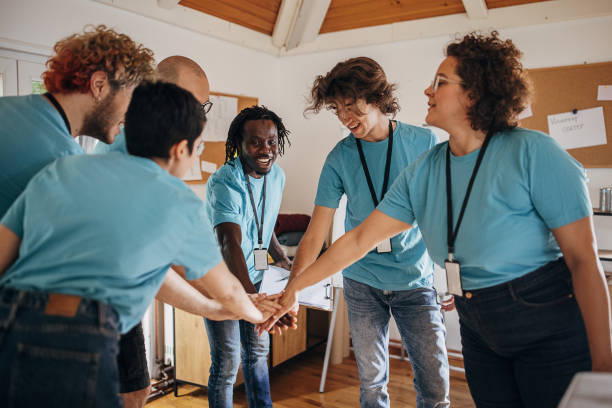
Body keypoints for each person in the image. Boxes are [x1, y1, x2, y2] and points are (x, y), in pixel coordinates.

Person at [274, 32, 612, 407]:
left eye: (439, 82)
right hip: (475, 322)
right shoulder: (424, 171)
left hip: (543, 321)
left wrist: (605, 364)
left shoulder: (535, 153)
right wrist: (293, 290)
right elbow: (356, 241)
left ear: (475, 93)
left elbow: (583, 262)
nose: (426, 91)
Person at [0, 81, 267, 407]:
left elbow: (3, 252)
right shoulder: (176, 201)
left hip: (8, 317)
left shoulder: (64, 167)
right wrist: (261, 313)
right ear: (180, 149)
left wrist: (217, 309)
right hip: (75, 332)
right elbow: (227, 290)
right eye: (197, 148)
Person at [284, 57, 449, 408]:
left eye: (351, 105)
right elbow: (315, 234)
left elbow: (442, 214)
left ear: (376, 97)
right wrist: (292, 288)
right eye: (337, 109)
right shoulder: (339, 157)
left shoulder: (424, 141)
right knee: (372, 385)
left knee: (435, 386)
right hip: (362, 282)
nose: (345, 118)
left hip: (415, 281)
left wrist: (453, 275)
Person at [94, 54, 213, 408]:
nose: (200, 117)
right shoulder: (125, 149)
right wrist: (239, 305)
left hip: (120, 295)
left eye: (204, 106)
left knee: (135, 390)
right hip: (93, 301)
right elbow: (180, 264)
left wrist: (224, 303)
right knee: (127, 393)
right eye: (195, 104)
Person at [0, 24, 155, 218]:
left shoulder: (6, 106)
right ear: (99, 85)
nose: (130, 116)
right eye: (132, 100)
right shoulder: (63, 164)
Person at [204, 106, 293, 408]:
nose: (266, 150)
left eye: (271, 142)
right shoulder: (224, 182)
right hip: (221, 283)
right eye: (256, 142)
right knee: (227, 363)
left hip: (256, 279)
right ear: (238, 144)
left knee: (257, 355)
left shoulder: (277, 176)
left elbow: (263, 226)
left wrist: (280, 257)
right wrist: (252, 299)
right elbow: (229, 241)